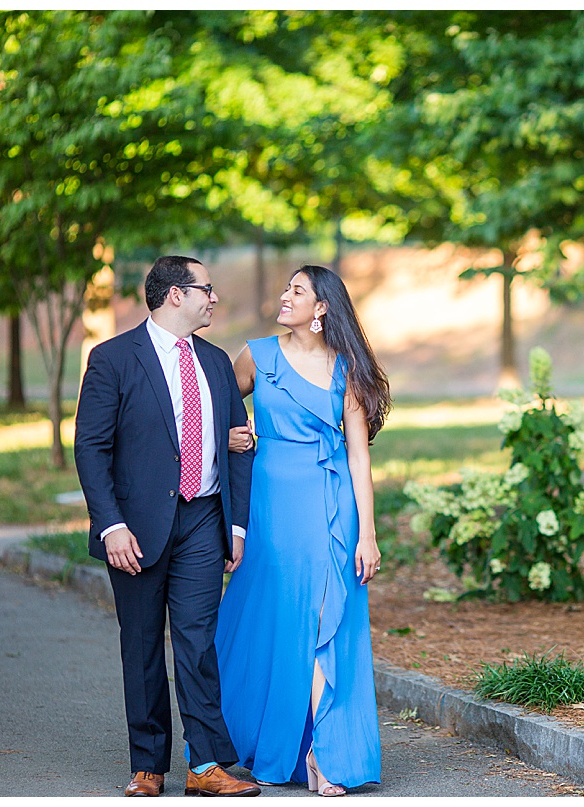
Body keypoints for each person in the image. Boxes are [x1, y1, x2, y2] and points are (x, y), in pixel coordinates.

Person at [74, 255, 261, 798]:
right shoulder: (112, 359)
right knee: (141, 645)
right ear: (175, 295)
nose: (215, 298)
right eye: (207, 289)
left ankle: (205, 764)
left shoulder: (217, 360)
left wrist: (238, 526)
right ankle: (148, 764)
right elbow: (91, 447)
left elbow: (238, 442)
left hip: (204, 518)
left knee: (199, 643)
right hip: (134, 527)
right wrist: (110, 526)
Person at [216, 264, 390, 794]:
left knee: (322, 616)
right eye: (287, 287)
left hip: (331, 505)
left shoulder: (347, 370)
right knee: (273, 617)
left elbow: (359, 457)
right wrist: (232, 437)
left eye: (298, 291)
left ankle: (322, 751)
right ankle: (261, 740)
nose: (285, 296)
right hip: (270, 506)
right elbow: (215, 411)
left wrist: (368, 534)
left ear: (322, 310)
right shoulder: (256, 356)